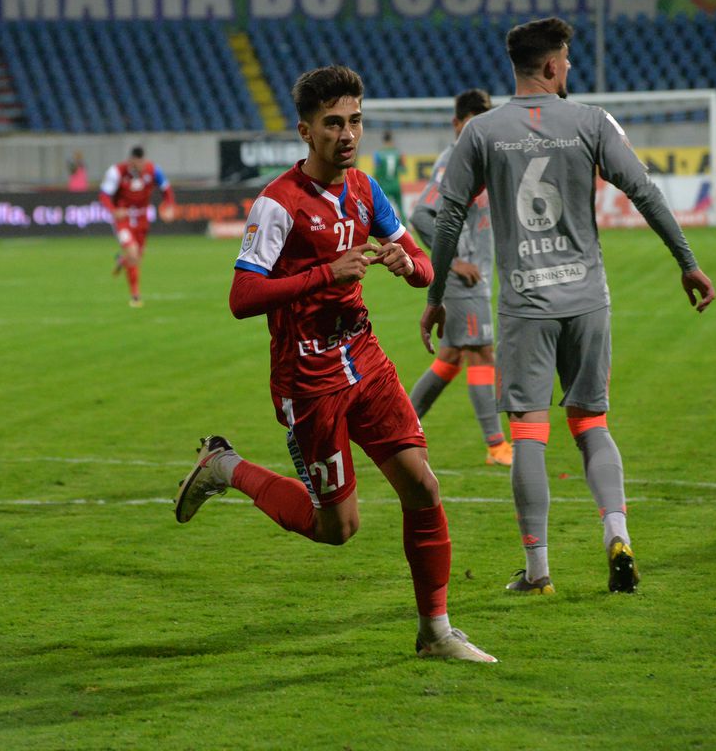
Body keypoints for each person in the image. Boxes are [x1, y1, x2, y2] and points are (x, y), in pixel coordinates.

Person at [174, 65, 496, 663]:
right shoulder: (277, 204)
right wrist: (324, 273)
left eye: (355, 121)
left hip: (364, 357)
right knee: (337, 528)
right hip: (308, 376)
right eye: (332, 124)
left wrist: (410, 267)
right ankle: (226, 467)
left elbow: (422, 261)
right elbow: (241, 298)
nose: (347, 134)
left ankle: (436, 632)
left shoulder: (365, 189)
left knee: (422, 486)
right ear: (305, 131)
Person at [418, 17, 715, 595]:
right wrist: (687, 260)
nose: (569, 69)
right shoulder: (591, 121)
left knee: (529, 432)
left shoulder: (480, 132)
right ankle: (616, 532)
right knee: (592, 423)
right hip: (588, 300)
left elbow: (448, 214)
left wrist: (435, 296)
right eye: (567, 61)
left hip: (526, 305)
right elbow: (644, 192)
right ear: (552, 66)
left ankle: (538, 572)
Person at [408, 89, 513, 468]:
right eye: (471, 122)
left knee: (450, 357)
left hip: (476, 274)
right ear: (456, 125)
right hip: (463, 277)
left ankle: (400, 427)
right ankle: (497, 445)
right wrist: (453, 262)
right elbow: (422, 215)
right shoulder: (455, 159)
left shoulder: (480, 158)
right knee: (482, 351)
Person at [98, 145, 176, 307]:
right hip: (124, 219)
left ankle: (122, 260)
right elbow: (104, 195)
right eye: (136, 163)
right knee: (133, 252)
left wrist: (169, 206)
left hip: (142, 220)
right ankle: (135, 295)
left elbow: (166, 189)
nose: (139, 166)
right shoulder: (116, 172)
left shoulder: (153, 170)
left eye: (142, 162)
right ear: (130, 160)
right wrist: (114, 211)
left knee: (136, 259)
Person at [372, 130, 406, 219]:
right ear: (392, 139)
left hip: (384, 185)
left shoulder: (378, 154)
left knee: (382, 208)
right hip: (396, 184)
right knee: (401, 208)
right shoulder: (398, 153)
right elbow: (403, 170)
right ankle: (405, 227)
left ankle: (384, 229)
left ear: (383, 140)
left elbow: (376, 172)